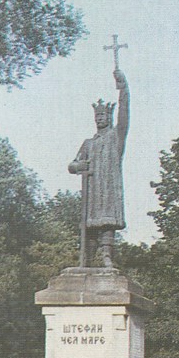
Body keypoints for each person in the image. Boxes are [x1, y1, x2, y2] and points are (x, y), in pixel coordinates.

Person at [69, 68, 129, 269]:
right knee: (90, 224)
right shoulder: (88, 143)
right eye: (98, 116)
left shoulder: (115, 137)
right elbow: (72, 164)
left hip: (109, 187)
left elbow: (124, 116)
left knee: (107, 221)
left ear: (108, 118)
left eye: (103, 116)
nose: (100, 119)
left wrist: (123, 89)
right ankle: (87, 257)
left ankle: (106, 256)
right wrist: (79, 165)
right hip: (93, 190)